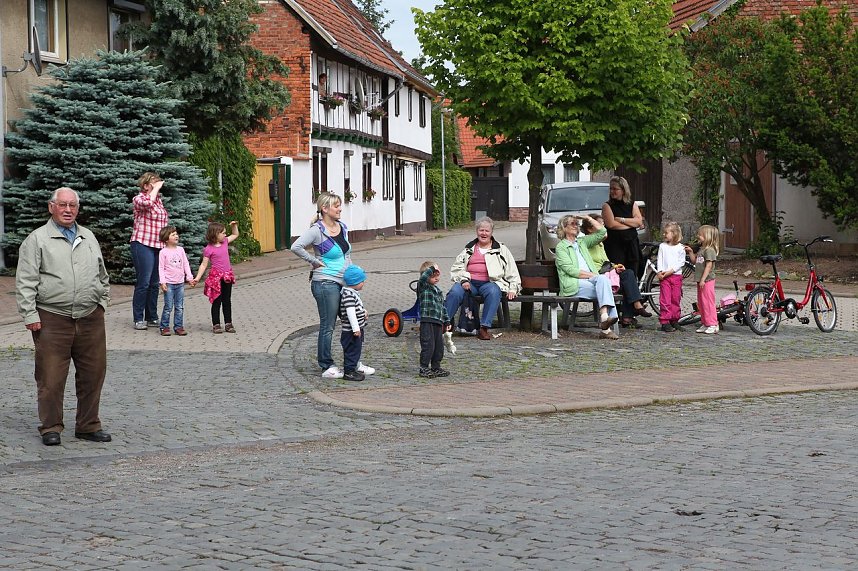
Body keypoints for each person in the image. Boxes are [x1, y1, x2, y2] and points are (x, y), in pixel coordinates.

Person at [15, 188, 112, 446]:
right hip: (52, 318)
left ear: (78, 209)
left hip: (91, 317)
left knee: (94, 373)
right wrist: (30, 314)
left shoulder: (88, 236)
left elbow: (102, 275)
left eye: (72, 205)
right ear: (51, 207)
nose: (68, 210)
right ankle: (50, 427)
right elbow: (25, 280)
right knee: (51, 377)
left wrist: (102, 302)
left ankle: (88, 425)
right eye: (62, 205)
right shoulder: (37, 239)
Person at [291, 192, 373, 379]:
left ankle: (353, 363)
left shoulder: (342, 227)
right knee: (328, 326)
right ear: (325, 209)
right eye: (336, 206)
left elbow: (346, 256)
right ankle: (326, 365)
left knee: (352, 321)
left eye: (340, 205)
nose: (340, 209)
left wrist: (353, 275)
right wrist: (313, 261)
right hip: (325, 283)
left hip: (344, 283)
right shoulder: (317, 230)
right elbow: (296, 247)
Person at [445, 217, 521, 341]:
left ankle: (484, 328)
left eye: (487, 231)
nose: (484, 233)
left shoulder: (501, 249)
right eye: (481, 230)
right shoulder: (468, 249)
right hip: (470, 283)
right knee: (455, 292)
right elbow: (456, 268)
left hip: (490, 283)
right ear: (477, 231)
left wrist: (513, 288)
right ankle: (444, 324)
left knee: (493, 292)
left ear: (491, 233)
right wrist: (463, 280)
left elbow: (512, 271)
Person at [554, 214, 619, 340]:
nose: (576, 226)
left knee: (603, 280)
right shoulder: (561, 247)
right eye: (572, 223)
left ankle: (605, 319)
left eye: (577, 224)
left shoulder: (582, 242)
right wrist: (593, 275)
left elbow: (602, 232)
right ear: (564, 227)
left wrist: (588, 218)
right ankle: (606, 327)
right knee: (604, 284)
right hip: (573, 283)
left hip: (591, 281)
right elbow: (570, 270)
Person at [582, 214, 651, 328]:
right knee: (627, 280)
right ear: (590, 229)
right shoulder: (586, 242)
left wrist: (615, 267)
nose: (603, 227)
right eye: (600, 224)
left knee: (628, 274)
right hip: (599, 277)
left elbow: (605, 261)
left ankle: (633, 310)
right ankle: (632, 312)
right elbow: (602, 234)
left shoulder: (599, 244)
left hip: (607, 272)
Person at [131, 172, 169, 330]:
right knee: (144, 282)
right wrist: (153, 190)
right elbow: (146, 204)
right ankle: (138, 318)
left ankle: (152, 316)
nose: (159, 184)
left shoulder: (159, 201)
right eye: (154, 182)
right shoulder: (139, 198)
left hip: (158, 245)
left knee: (154, 283)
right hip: (142, 243)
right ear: (146, 186)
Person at [194, 221, 239, 334]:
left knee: (227, 300)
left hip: (227, 276)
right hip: (216, 278)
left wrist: (234, 226)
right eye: (223, 233)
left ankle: (228, 323)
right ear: (215, 234)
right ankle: (216, 324)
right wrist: (197, 278)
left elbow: (235, 235)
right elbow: (204, 264)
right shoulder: (209, 249)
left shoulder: (225, 242)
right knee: (216, 301)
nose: (225, 235)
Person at [601, 175, 644, 278]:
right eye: (611, 188)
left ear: (623, 190)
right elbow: (611, 224)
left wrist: (622, 220)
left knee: (633, 271)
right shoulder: (607, 206)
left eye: (615, 189)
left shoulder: (632, 204)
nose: (612, 191)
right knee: (617, 272)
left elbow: (639, 222)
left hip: (631, 244)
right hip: (615, 245)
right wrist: (631, 224)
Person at [158, 225, 195, 336]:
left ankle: (178, 326)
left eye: (176, 234)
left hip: (180, 283)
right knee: (168, 307)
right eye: (173, 234)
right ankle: (164, 327)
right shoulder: (163, 252)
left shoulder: (181, 250)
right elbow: (161, 268)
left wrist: (189, 277)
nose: (176, 236)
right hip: (169, 283)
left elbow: (185, 264)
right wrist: (162, 282)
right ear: (166, 238)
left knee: (179, 306)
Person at [418, 261, 452, 378]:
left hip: (438, 322)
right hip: (427, 321)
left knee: (438, 347)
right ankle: (424, 367)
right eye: (433, 276)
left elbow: (443, 307)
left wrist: (447, 320)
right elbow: (423, 278)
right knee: (428, 345)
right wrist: (432, 268)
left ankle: (436, 367)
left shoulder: (438, 291)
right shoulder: (423, 287)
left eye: (437, 276)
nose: (436, 278)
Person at [339, 265, 369, 382]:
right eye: (362, 281)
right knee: (352, 350)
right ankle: (349, 371)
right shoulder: (349, 295)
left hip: (356, 330)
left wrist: (363, 312)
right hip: (351, 332)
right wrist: (356, 329)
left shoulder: (352, 293)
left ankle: (352, 368)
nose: (363, 283)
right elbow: (350, 313)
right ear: (354, 282)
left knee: (356, 350)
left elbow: (357, 309)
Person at [656, 222, 688, 333]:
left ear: (674, 234)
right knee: (665, 299)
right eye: (664, 233)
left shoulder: (680, 248)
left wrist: (671, 271)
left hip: (676, 276)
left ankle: (675, 319)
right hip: (664, 276)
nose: (664, 234)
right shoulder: (662, 246)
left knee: (675, 298)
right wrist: (660, 271)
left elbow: (681, 262)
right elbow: (660, 260)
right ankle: (665, 321)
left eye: (667, 233)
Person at [693, 225, 720, 334]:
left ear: (707, 236)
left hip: (707, 280)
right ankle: (705, 322)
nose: (698, 236)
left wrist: (703, 279)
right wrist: (690, 252)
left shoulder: (709, 250)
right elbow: (695, 261)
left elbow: (708, 266)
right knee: (702, 302)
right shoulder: (702, 249)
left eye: (700, 234)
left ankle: (713, 323)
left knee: (708, 302)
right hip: (701, 280)